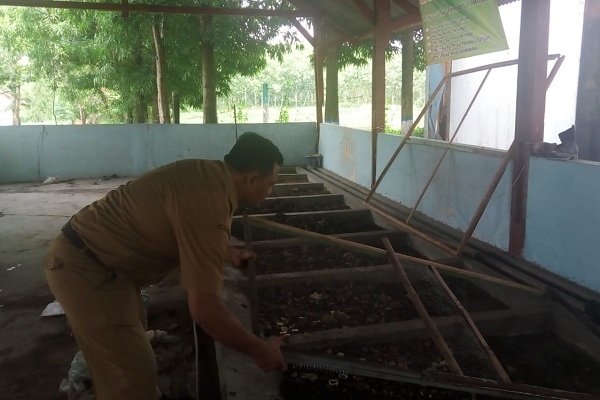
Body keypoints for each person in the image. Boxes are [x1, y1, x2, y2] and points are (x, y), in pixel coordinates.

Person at [44, 132, 287, 400]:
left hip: (106, 263)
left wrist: (224, 251)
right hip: (86, 269)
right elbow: (204, 309)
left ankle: (98, 378)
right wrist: (259, 349)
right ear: (252, 178)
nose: (269, 192)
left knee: (128, 342)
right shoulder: (210, 203)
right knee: (132, 379)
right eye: (270, 184)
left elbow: (190, 226)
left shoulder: (207, 175)